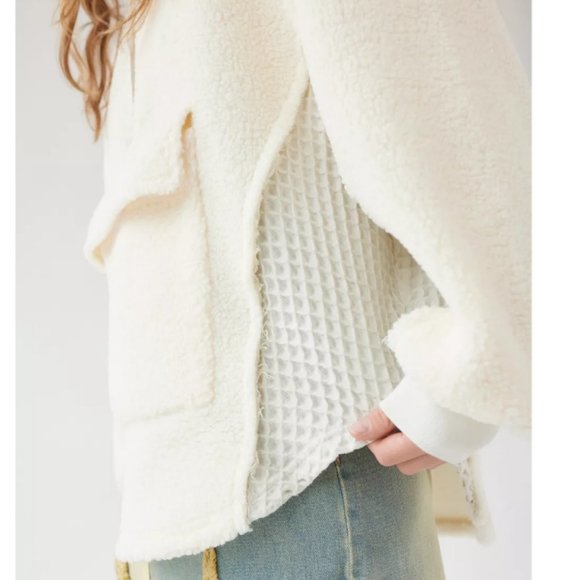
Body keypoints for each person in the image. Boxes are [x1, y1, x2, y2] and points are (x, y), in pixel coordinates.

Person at [59, 1, 531, 579]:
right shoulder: (126, 17)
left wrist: (472, 372)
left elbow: (461, 101)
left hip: (302, 491)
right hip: (168, 520)